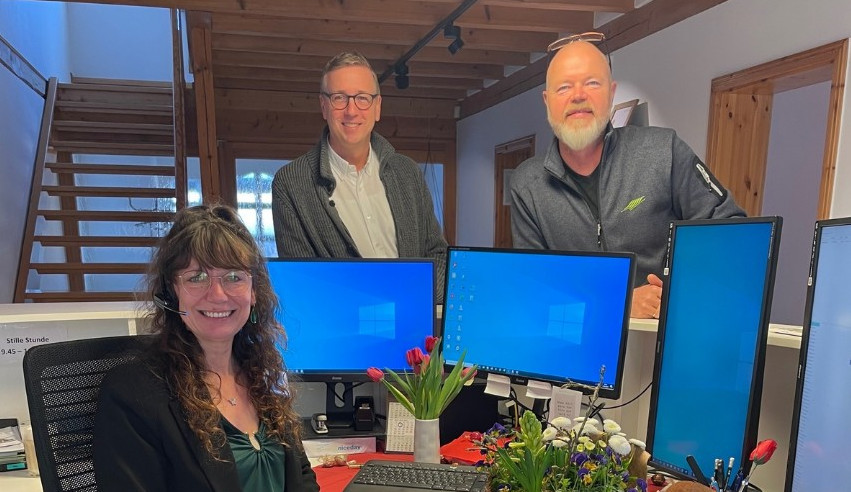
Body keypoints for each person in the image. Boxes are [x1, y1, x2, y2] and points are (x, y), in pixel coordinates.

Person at [510, 35, 745, 319]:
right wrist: (620, 302)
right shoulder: (527, 185)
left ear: (611, 92)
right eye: (563, 87)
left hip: (658, 345)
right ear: (548, 101)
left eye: (592, 83)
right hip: (577, 348)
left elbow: (733, 234)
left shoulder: (663, 151)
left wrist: (677, 290)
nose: (578, 95)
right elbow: (534, 287)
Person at [94, 204, 319, 491]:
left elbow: (300, 476)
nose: (217, 295)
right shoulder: (133, 393)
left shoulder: (262, 371)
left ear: (253, 293)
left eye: (234, 277)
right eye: (196, 278)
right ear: (171, 293)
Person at [271, 51, 447, 301]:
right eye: (339, 98)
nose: (352, 111)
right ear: (324, 106)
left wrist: (412, 301)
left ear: (377, 107)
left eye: (363, 98)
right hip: (343, 333)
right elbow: (302, 280)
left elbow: (437, 255)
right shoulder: (291, 184)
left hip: (415, 329)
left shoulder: (407, 173)